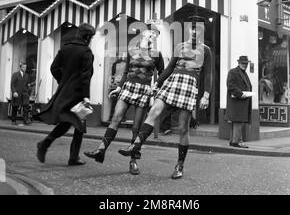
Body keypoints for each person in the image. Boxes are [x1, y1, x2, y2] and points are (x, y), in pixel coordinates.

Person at [118, 16, 212, 180]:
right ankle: (136, 146)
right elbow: (168, 69)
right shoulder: (180, 46)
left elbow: (209, 73)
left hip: (190, 85)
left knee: (183, 128)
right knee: (154, 110)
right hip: (173, 81)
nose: (195, 31)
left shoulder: (206, 50)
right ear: (188, 29)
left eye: (199, 29)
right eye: (193, 28)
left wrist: (206, 95)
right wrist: (157, 83)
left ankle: (179, 165)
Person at [84, 24, 164, 175]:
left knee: (136, 126)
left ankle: (133, 161)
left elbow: (161, 73)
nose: (152, 36)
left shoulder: (157, 55)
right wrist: (119, 87)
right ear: (143, 35)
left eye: (155, 35)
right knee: (116, 117)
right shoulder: (132, 51)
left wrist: (157, 86)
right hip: (128, 88)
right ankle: (101, 150)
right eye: (149, 33)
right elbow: (126, 71)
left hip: (144, 91)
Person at [36, 23, 95, 166]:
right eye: (91, 37)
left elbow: (54, 68)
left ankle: (55, 148)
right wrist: (86, 96)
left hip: (65, 92)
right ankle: (50, 146)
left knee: (71, 123)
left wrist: (63, 81)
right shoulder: (86, 52)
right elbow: (85, 76)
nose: (91, 40)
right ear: (87, 37)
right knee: (76, 124)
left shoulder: (65, 48)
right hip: (78, 94)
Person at [225, 56, 253, 149]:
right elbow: (230, 85)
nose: (245, 65)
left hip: (240, 101)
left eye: (246, 63)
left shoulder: (243, 73)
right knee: (237, 121)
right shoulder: (233, 72)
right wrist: (240, 94)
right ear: (239, 63)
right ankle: (237, 141)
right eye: (243, 63)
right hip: (237, 101)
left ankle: (234, 141)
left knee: (237, 121)